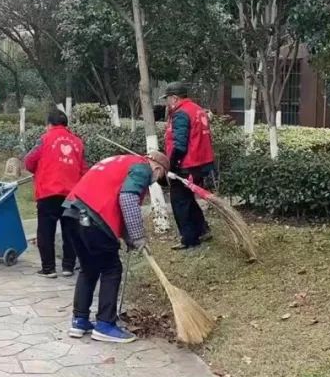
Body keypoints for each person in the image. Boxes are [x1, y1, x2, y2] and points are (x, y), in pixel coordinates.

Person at [63, 151, 170, 344]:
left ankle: (79, 321)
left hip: (72, 212)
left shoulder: (119, 161)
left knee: (89, 268)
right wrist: (138, 236)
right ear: (157, 167)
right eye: (159, 177)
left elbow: (115, 198)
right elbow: (128, 198)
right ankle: (105, 324)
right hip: (95, 217)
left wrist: (128, 237)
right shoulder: (142, 167)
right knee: (112, 269)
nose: (154, 181)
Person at [24, 109, 86, 278]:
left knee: (46, 231)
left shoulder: (44, 139)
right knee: (70, 231)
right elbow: (83, 169)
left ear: (49, 124)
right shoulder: (78, 143)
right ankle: (68, 267)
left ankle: (48, 268)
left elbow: (29, 161)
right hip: (72, 194)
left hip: (48, 192)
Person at [162, 82, 216, 250]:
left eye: (168, 99)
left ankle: (189, 239)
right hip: (202, 162)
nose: (167, 102)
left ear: (175, 98)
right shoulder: (197, 109)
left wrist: (172, 166)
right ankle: (202, 229)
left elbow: (179, 144)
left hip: (188, 163)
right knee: (187, 198)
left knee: (179, 201)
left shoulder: (181, 113)